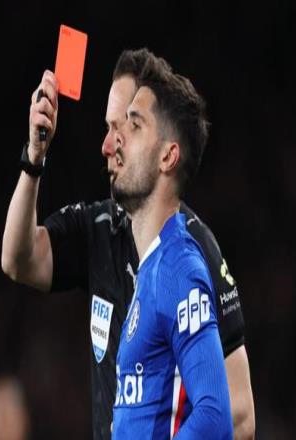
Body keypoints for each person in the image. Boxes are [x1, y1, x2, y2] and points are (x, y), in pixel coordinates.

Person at [2, 49, 255, 439]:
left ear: (165, 151)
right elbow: (18, 260)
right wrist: (34, 159)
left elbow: (233, 416)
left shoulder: (186, 258)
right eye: (109, 127)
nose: (110, 144)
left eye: (129, 126)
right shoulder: (103, 232)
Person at [109, 53, 232, 438]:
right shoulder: (152, 269)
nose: (118, 137)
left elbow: (215, 415)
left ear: (167, 156)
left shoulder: (179, 267)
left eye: (135, 125)